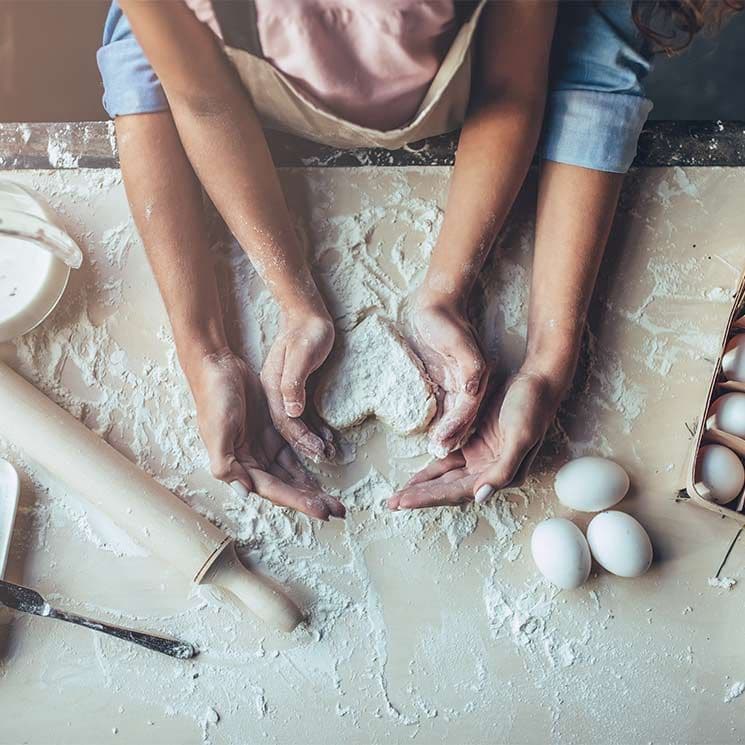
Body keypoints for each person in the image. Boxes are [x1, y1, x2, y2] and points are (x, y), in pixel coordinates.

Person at [97, 0, 740, 518]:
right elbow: (198, 95)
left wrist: (543, 356)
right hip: (236, 113)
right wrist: (209, 343)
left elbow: (516, 85)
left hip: (489, 90)